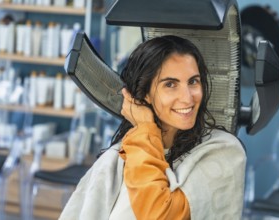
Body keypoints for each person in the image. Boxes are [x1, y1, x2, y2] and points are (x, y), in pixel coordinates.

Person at [59, 35, 246, 220]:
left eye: (193, 81)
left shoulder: (224, 150)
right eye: (170, 84)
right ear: (146, 93)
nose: (187, 97)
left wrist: (146, 127)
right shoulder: (123, 154)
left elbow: (160, 215)